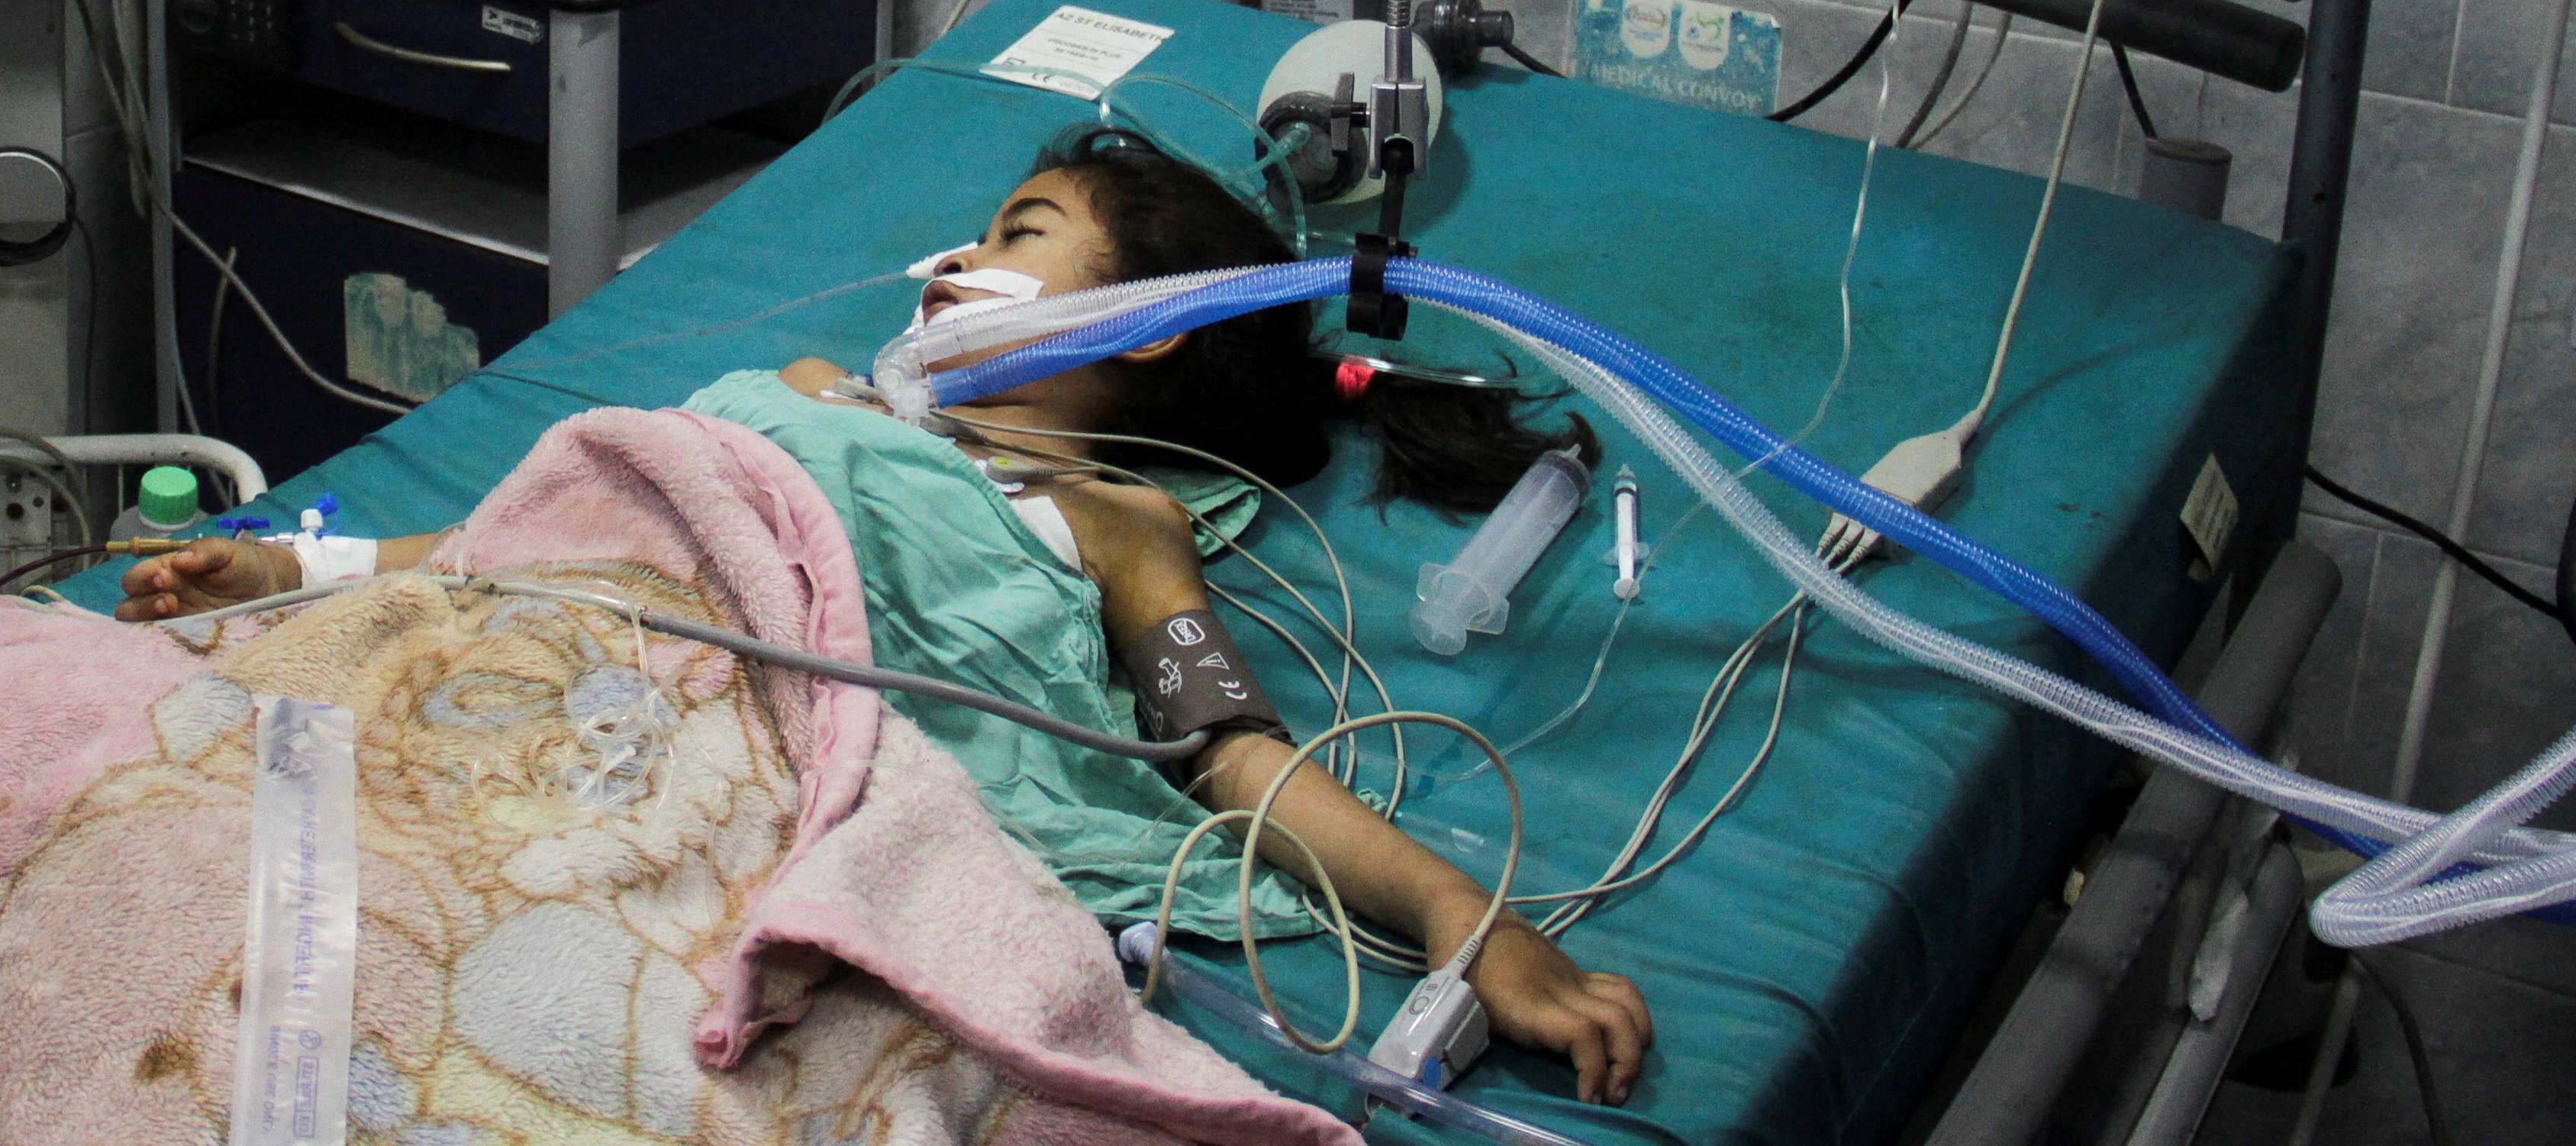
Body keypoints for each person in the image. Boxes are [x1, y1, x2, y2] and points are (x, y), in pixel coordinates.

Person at [119, 127, 1659, 1106]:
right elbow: (527, 539)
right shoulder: (810, 398)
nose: (959, 262)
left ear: (1146, 324)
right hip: (538, 652)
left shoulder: (1122, 526)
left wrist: (1474, 924)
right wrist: (299, 575)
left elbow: (1234, 755)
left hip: (721, 764)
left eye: (1019, 232)